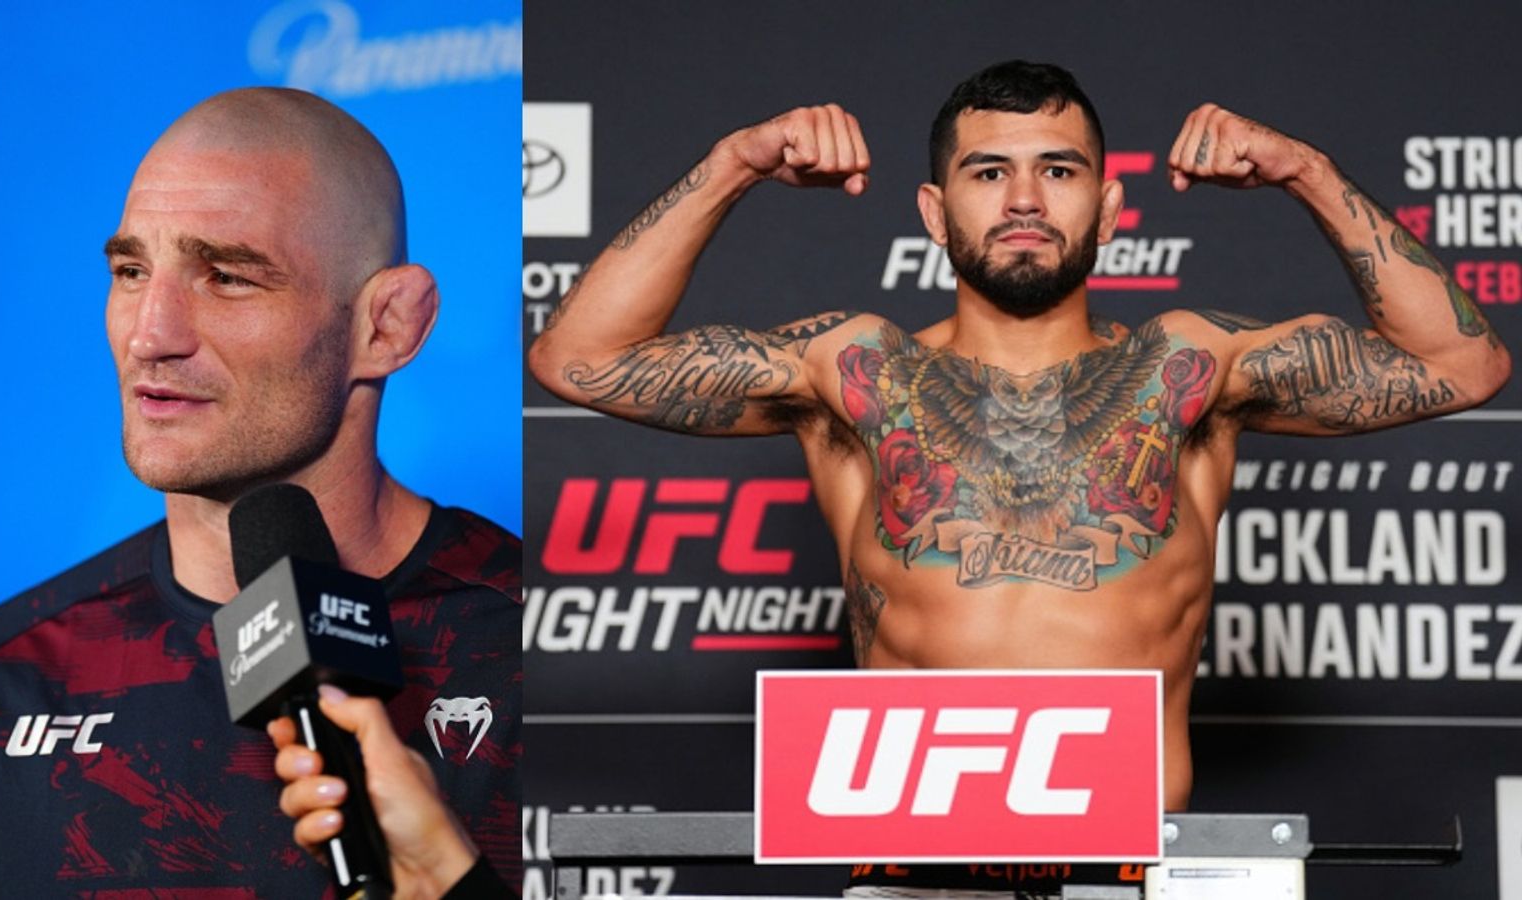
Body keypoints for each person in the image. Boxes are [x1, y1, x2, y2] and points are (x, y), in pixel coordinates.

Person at [527, 60, 1510, 896]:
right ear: (934, 208)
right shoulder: (854, 375)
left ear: (1110, 207)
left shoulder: (1191, 371)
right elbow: (578, 359)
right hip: (906, 868)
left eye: (1059, 171)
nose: (1026, 200)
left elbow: (1462, 367)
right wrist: (733, 163)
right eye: (988, 172)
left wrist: (1306, 171)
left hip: (1124, 868)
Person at [0, 88, 520, 898]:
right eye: (131, 271)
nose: (150, 335)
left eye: (228, 277)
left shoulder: (537, 648)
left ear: (387, 326)